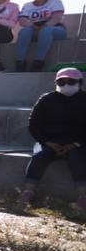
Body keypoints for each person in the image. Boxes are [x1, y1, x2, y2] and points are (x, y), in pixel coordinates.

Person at [17, 67, 86, 209]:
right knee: (39, 156)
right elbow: (34, 124)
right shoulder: (46, 99)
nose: (66, 85)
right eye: (61, 82)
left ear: (80, 82)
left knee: (77, 158)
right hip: (49, 141)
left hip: (77, 142)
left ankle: (83, 197)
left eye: (71, 82)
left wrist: (75, 144)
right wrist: (47, 142)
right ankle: (28, 192)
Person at [14, 0, 67, 72]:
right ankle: (20, 62)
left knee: (46, 31)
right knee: (24, 31)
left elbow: (56, 18)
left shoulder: (55, 1)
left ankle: (39, 61)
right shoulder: (27, 5)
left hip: (56, 29)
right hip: (34, 29)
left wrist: (42, 28)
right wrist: (33, 27)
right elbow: (22, 20)